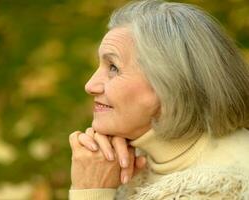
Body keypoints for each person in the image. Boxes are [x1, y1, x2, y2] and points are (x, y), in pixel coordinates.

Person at [69, 0, 249, 199]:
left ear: (171, 82)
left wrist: (91, 189)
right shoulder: (133, 156)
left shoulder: (217, 190)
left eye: (113, 67)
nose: (90, 85)